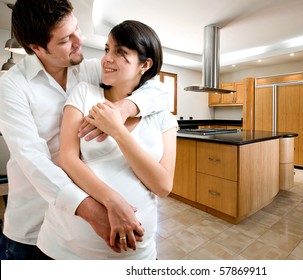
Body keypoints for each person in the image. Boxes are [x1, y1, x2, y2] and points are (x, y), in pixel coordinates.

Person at [0, 0, 169, 260]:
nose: (81, 40)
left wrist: (124, 108)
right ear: (36, 48)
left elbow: (154, 87)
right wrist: (94, 208)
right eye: (67, 38)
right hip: (33, 227)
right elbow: (31, 159)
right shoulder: (12, 86)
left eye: (77, 28)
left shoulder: (90, 70)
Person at [37, 20, 177, 259]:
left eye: (120, 52)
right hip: (68, 250)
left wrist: (118, 130)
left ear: (145, 64)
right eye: (107, 49)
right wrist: (114, 203)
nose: (106, 59)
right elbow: (68, 159)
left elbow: (163, 186)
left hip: (137, 256)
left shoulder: (163, 116)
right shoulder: (84, 93)